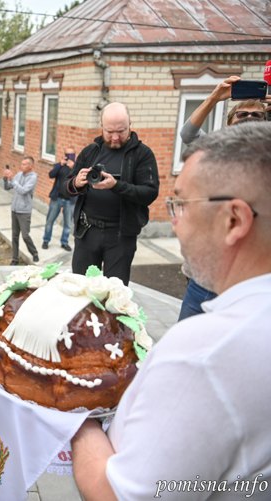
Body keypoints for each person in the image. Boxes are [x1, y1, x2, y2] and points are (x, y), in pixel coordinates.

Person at [71, 122, 271, 501]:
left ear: (234, 220)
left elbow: (115, 493)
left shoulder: (204, 353)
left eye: (181, 204)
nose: (174, 223)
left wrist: (76, 414)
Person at [177, 76, 266, 321]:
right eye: (242, 115)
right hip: (207, 276)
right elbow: (188, 133)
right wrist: (215, 96)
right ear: (229, 123)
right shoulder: (217, 152)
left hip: (250, 278)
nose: (248, 119)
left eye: (256, 116)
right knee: (187, 340)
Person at [60, 102, 159, 284]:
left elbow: (150, 193)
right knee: (82, 287)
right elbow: (65, 189)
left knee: (115, 294)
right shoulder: (91, 152)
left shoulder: (142, 154)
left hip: (121, 235)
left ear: (130, 125)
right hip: (87, 232)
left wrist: (116, 185)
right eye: (109, 131)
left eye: (121, 131)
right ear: (101, 127)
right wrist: (76, 183)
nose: (115, 137)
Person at [3, 156, 39, 264]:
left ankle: (34, 253)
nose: (21, 166)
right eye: (21, 164)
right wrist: (6, 178)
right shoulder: (18, 175)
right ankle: (15, 259)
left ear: (30, 166)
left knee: (25, 235)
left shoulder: (33, 177)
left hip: (24, 211)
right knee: (14, 236)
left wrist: (12, 179)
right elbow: (8, 187)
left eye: (24, 164)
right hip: (14, 209)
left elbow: (23, 191)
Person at [42, 147, 76, 252]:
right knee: (50, 221)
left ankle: (64, 242)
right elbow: (51, 175)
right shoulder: (59, 165)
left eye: (72, 154)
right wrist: (60, 164)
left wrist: (74, 168)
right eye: (67, 154)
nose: (69, 156)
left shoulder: (77, 167)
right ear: (64, 155)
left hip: (70, 200)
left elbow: (81, 180)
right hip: (57, 198)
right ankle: (46, 240)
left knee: (68, 224)